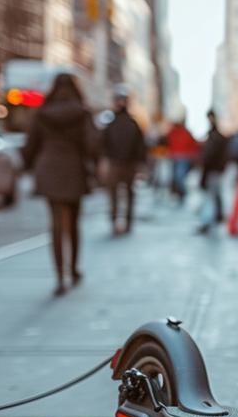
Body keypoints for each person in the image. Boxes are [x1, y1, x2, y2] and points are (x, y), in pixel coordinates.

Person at [23, 73, 97, 296]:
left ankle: (59, 275)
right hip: (73, 168)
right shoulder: (82, 113)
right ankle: (73, 269)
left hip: (49, 167)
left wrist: (29, 166)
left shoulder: (42, 113)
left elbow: (30, 145)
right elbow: (92, 145)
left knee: (56, 224)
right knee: (73, 222)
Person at [101, 84, 146, 235]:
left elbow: (140, 147)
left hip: (128, 164)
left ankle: (127, 223)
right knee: (115, 195)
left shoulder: (132, 124)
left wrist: (140, 165)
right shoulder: (111, 124)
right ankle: (115, 222)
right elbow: (103, 144)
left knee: (127, 194)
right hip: (116, 163)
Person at [197, 111, 229, 233]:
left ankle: (211, 218)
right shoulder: (213, 136)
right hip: (214, 169)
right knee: (214, 194)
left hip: (213, 169)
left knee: (211, 195)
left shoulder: (215, 137)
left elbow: (210, 156)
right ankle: (216, 216)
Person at [165, 120, 199, 204]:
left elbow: (193, 144)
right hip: (175, 156)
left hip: (183, 157)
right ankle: (178, 193)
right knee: (176, 177)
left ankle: (181, 194)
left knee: (179, 176)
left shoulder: (184, 133)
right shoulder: (173, 132)